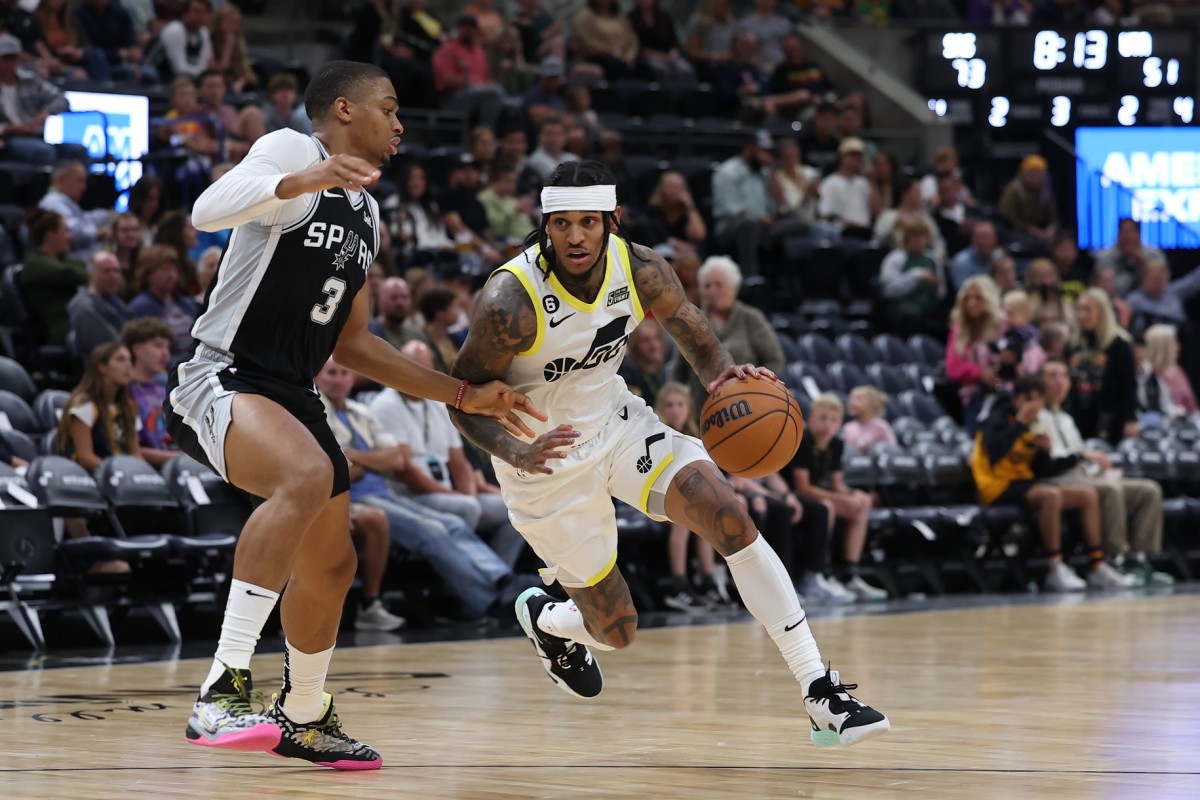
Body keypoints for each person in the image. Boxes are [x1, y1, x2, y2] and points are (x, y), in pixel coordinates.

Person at [163, 61, 538, 770]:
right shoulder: (291, 150)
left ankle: (303, 714)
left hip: (296, 392)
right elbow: (206, 209)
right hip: (225, 374)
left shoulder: (365, 210)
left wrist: (462, 393)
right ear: (343, 109)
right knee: (304, 476)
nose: (400, 125)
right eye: (389, 109)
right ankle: (220, 690)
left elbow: (356, 343)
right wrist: (306, 180)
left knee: (332, 564)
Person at [448, 159, 889, 744]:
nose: (575, 236)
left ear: (612, 221)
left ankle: (819, 692)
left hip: (617, 422)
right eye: (561, 224)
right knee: (617, 630)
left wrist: (728, 381)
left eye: (588, 222)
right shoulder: (510, 299)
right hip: (543, 459)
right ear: (545, 225)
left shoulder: (641, 268)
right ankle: (548, 618)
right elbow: (460, 399)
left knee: (730, 516)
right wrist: (515, 452)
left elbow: (692, 329)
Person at [315, 357, 512, 628]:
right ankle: (488, 601)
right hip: (353, 499)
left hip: (385, 494)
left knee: (452, 523)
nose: (337, 379)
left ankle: (501, 578)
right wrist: (372, 459)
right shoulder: (317, 414)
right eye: (331, 373)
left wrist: (356, 456)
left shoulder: (359, 412)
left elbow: (395, 459)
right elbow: (338, 471)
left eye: (343, 372)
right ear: (318, 378)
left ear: (352, 378)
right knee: (432, 529)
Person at [370, 340, 527, 569]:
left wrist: (468, 494)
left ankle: (497, 576)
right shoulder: (385, 404)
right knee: (467, 508)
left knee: (511, 512)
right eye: (413, 366)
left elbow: (459, 463)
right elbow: (406, 472)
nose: (418, 374)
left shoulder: (436, 403)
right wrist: (459, 497)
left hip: (448, 492)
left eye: (424, 368)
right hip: (411, 496)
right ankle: (470, 579)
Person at [970, 375, 1128, 592]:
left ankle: (1097, 565)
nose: (1033, 406)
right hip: (995, 487)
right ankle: (1054, 566)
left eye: (1037, 401)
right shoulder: (997, 417)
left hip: (1022, 484)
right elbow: (995, 451)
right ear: (1016, 399)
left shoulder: (1034, 425)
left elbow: (1043, 469)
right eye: (1028, 399)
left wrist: (1045, 451)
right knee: (1050, 496)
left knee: (1087, 495)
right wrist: (1018, 425)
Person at [1037, 358, 1171, 587]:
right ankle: (1111, 558)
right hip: (1059, 478)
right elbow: (1054, 460)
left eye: (1063, 376)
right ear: (1040, 382)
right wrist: (1086, 458)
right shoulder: (1037, 416)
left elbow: (1081, 455)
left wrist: (1098, 468)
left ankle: (1137, 559)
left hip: (1083, 475)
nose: (1058, 382)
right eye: (1052, 376)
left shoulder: (1067, 419)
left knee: (1148, 490)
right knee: (1109, 490)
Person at [789, 393, 888, 602]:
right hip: (793, 495)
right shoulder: (802, 441)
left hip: (818, 494)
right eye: (823, 418)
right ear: (811, 418)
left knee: (860, 507)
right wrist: (840, 498)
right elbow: (803, 487)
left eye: (833, 420)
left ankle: (850, 574)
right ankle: (817, 574)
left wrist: (854, 494)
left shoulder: (836, 444)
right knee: (828, 507)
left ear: (840, 423)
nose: (828, 424)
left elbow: (837, 484)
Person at [671, 255, 785, 415]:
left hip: (748, 408)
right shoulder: (692, 322)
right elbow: (677, 372)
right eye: (707, 286)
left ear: (733, 287)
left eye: (718, 285)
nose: (712, 291)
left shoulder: (751, 318)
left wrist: (760, 387)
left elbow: (775, 360)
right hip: (702, 411)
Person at [56, 340, 141, 468]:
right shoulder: (84, 405)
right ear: (102, 367)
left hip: (123, 474)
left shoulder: (129, 407)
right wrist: (120, 473)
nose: (128, 365)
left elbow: (136, 453)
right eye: (120, 360)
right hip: (91, 477)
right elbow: (85, 457)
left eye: (130, 360)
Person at [1070, 288, 1138, 443]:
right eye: (1079, 309)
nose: (1082, 315)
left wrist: (1130, 419)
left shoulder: (1119, 344)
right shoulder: (1074, 344)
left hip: (1110, 417)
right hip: (1078, 414)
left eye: (1087, 309)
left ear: (1102, 312)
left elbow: (1129, 385)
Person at [0, 33, 73, 167]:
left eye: (14, 58)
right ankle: (48, 187)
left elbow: (61, 98)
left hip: (34, 135)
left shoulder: (30, 80)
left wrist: (47, 112)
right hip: (7, 140)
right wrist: (7, 129)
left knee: (76, 151)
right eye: (6, 58)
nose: (10, 64)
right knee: (43, 152)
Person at [20, 209, 88, 346]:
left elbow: (83, 268)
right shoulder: (36, 264)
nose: (70, 237)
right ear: (50, 235)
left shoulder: (62, 260)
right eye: (66, 231)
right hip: (66, 329)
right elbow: (77, 274)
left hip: (82, 322)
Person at [119, 317, 180, 468]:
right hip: (146, 471)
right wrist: (179, 458)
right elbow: (128, 449)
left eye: (168, 347)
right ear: (137, 349)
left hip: (178, 465)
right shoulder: (123, 391)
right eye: (158, 346)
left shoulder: (165, 389)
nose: (166, 353)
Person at [128, 244, 200, 356]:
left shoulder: (186, 303)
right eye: (164, 270)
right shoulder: (140, 307)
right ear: (148, 274)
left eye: (173, 269)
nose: (171, 275)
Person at [878, 218, 944, 337]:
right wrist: (915, 275)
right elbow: (888, 291)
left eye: (922, 236)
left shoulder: (932, 260)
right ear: (906, 238)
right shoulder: (895, 258)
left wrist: (936, 287)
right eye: (914, 236)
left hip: (927, 306)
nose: (919, 240)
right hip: (900, 305)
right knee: (910, 315)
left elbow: (941, 293)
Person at [38, 160, 113, 259]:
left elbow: (85, 219)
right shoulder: (53, 202)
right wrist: (98, 233)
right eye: (79, 181)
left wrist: (108, 215)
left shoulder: (65, 201)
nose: (84, 187)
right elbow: (73, 231)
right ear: (61, 180)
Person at [69, 250, 134, 360]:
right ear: (91, 275)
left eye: (117, 271)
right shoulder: (85, 308)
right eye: (106, 271)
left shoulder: (115, 301)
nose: (113, 276)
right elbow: (112, 348)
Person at [1126, 256, 1200, 334]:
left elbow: (1195, 281)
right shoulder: (1134, 301)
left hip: (1179, 336)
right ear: (1144, 278)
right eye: (1154, 279)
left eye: (1161, 279)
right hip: (1150, 340)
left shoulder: (1173, 292)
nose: (1157, 283)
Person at [1139, 324, 1198, 419]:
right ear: (1162, 347)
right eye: (1174, 343)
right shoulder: (1145, 376)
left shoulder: (1179, 372)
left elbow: (1193, 408)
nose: (1178, 348)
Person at [1095, 218, 1164, 296]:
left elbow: (1161, 283)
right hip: (1115, 301)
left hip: (1149, 301)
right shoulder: (1105, 257)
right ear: (1118, 235)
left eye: (1131, 232)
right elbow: (1102, 290)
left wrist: (1143, 263)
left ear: (1139, 234)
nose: (1128, 237)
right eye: (1124, 232)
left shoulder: (1154, 255)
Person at [998, 155, 1058, 246]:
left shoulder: (1045, 192)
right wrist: (1032, 230)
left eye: (1040, 173)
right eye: (1033, 173)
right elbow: (1007, 218)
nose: (1036, 177)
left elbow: (1053, 218)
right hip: (1016, 232)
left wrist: (1051, 229)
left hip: (1040, 233)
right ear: (1023, 174)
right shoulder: (1013, 190)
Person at [818, 137, 872, 235]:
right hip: (842, 233)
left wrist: (873, 178)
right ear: (841, 157)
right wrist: (843, 221)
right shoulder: (830, 183)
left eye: (858, 156)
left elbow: (875, 210)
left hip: (864, 232)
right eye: (852, 155)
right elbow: (825, 214)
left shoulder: (863, 183)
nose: (856, 159)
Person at [153, 0, 213, 80]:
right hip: (159, 76)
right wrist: (202, 75)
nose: (200, 16)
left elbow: (206, 64)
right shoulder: (175, 30)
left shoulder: (204, 32)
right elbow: (179, 69)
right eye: (196, 11)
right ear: (186, 13)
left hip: (186, 80)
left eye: (204, 12)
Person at [619, 318, 671, 408]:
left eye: (657, 338)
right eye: (646, 340)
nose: (654, 346)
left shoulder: (663, 369)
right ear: (634, 345)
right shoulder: (626, 374)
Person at [949, 220, 1000, 294]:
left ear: (994, 239)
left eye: (988, 237)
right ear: (973, 239)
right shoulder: (962, 262)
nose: (984, 242)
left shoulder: (997, 258)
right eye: (981, 237)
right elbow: (964, 292)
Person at [842, 385, 895, 453]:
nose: (851, 402)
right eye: (851, 399)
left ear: (872, 403)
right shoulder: (848, 428)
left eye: (858, 399)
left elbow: (892, 449)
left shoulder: (881, 426)